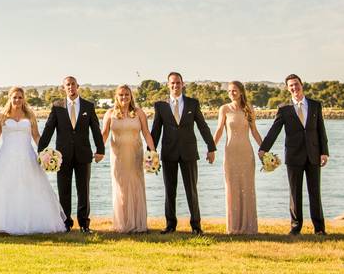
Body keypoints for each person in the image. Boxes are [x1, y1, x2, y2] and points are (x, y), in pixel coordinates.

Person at [0, 87, 66, 234]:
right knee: (3, 188)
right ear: (10, 98)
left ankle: (30, 222)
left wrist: (45, 153)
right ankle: (1, 223)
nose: (17, 100)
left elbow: (36, 136)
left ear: (23, 98)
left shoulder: (30, 115)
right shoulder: (2, 116)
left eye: (20, 97)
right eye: (14, 97)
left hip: (27, 156)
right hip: (6, 156)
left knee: (29, 188)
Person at [259, 74, 330, 235]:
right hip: (293, 157)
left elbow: (321, 130)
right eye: (291, 85)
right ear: (287, 88)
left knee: (315, 193)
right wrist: (263, 149)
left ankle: (319, 228)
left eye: (296, 84)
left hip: (313, 155)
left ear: (301, 85)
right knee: (295, 194)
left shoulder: (315, 105)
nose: (294, 88)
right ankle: (295, 227)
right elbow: (274, 131)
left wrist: (324, 152)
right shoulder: (284, 109)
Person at [150, 71, 216, 235]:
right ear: (168, 85)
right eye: (172, 83)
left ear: (182, 84)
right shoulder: (160, 106)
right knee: (169, 191)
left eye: (178, 83)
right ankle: (170, 225)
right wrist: (150, 154)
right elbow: (156, 131)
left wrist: (211, 147)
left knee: (191, 190)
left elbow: (202, 126)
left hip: (189, 152)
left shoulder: (193, 104)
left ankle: (196, 226)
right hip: (168, 153)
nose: (175, 85)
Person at [37, 76, 105, 233]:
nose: (70, 87)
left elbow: (95, 129)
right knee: (64, 190)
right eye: (67, 85)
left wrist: (100, 150)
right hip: (62, 157)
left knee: (84, 191)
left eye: (73, 84)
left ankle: (84, 224)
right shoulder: (57, 106)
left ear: (77, 86)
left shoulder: (88, 106)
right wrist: (41, 150)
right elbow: (48, 129)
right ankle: (66, 223)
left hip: (83, 155)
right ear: (63, 88)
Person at [101, 84, 155, 233]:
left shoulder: (139, 113)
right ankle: (123, 224)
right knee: (121, 188)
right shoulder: (110, 113)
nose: (124, 97)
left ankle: (138, 224)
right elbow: (104, 134)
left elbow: (146, 133)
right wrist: (98, 151)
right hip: (118, 157)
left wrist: (153, 152)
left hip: (136, 155)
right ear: (116, 97)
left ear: (131, 96)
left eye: (127, 94)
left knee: (136, 187)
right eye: (121, 95)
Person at [212, 81, 263, 235]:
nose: (231, 93)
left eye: (234, 90)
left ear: (241, 92)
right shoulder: (224, 109)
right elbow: (219, 130)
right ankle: (234, 226)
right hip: (231, 153)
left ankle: (249, 226)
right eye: (229, 91)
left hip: (246, 154)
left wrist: (264, 150)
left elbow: (254, 131)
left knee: (247, 188)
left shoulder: (249, 108)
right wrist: (211, 148)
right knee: (232, 188)